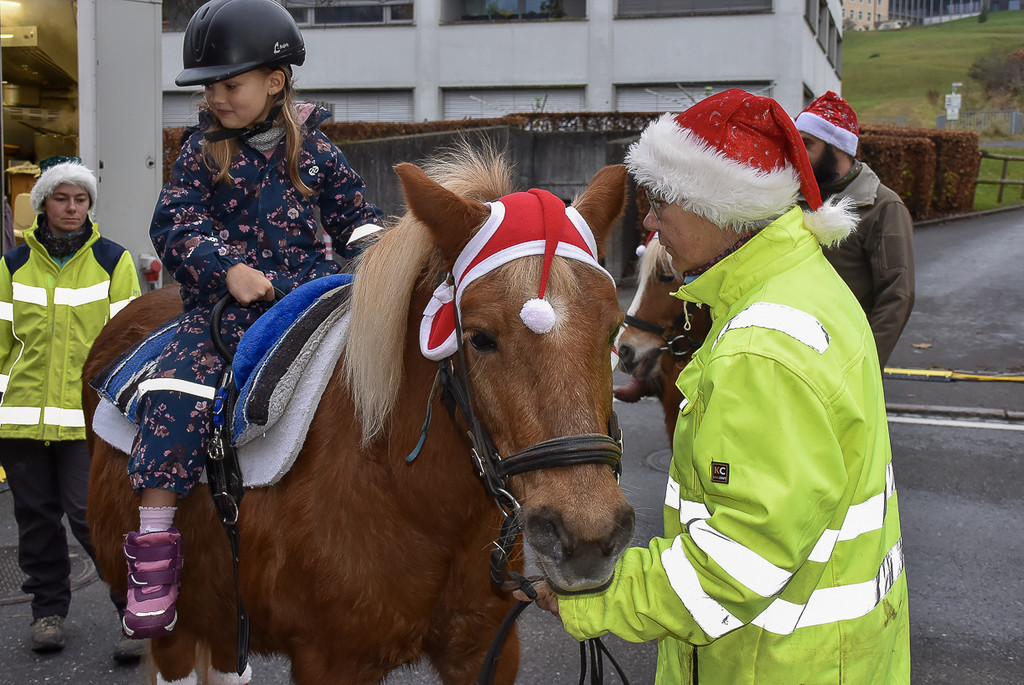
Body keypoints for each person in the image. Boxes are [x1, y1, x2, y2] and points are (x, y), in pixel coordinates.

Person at [516, 89, 910, 683]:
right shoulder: (809, 286)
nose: (647, 221)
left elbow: (735, 568)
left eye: (661, 203)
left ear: (720, 206)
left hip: (771, 666)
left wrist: (589, 596)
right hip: (835, 655)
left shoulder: (760, 351)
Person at [119, 0, 384, 650]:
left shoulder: (318, 151)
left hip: (314, 302)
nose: (215, 96)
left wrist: (387, 256)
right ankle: (153, 558)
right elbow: (174, 224)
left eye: (227, 83)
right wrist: (226, 266)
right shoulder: (199, 151)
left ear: (275, 79)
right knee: (175, 399)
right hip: (221, 316)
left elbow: (357, 219)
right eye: (207, 85)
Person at [0, 159, 143, 660]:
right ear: (42, 204)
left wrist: (126, 412)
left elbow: (131, 343)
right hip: (19, 419)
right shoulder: (14, 265)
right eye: (61, 198)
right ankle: (47, 613)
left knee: (94, 520)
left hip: (89, 421)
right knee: (35, 520)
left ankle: (132, 612)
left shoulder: (112, 261)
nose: (72, 208)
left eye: (80, 200)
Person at [795, 90, 915, 367]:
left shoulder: (883, 206)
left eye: (807, 144)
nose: (797, 154)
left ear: (837, 147)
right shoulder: (791, 199)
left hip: (843, 360)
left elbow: (897, 294)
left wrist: (863, 366)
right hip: (788, 356)